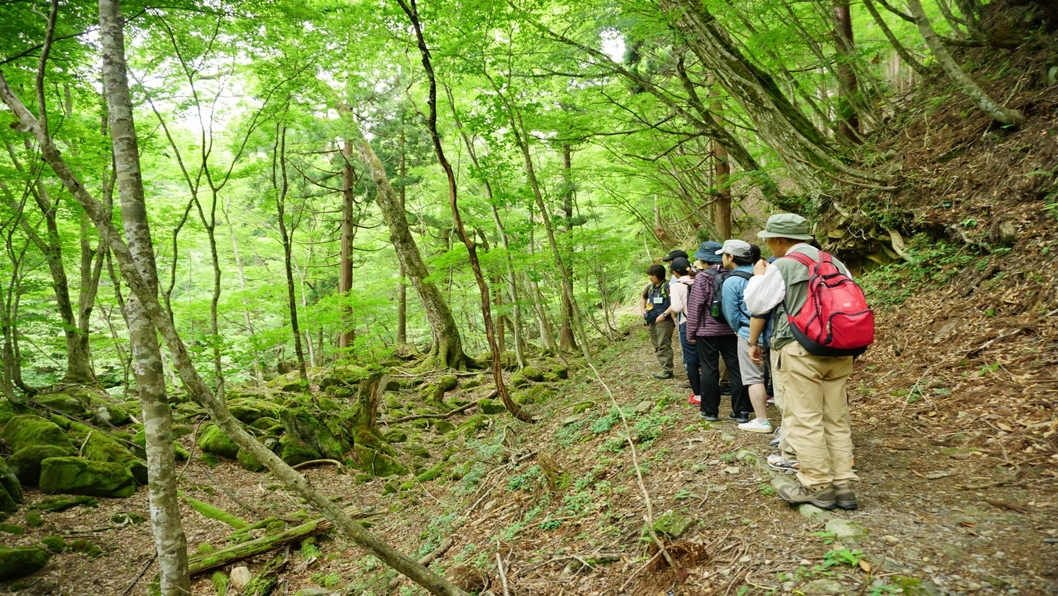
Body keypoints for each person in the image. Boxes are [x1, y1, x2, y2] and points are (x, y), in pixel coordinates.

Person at [744, 213, 857, 511]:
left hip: (800, 349)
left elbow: (756, 305)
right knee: (836, 416)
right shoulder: (834, 262)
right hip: (839, 347)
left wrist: (757, 277)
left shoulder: (783, 265)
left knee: (805, 417)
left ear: (780, 240)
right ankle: (844, 486)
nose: (768, 244)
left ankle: (818, 486)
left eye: (769, 239)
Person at [685, 241, 749, 422]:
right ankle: (741, 411)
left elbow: (696, 306)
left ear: (704, 260)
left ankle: (710, 410)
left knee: (709, 369)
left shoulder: (703, 278)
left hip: (707, 333)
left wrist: (691, 332)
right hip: (730, 330)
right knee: (736, 369)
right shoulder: (732, 275)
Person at [717, 239, 771, 434]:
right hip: (774, 331)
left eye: (723, 255)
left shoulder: (732, 281)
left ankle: (762, 420)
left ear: (730, 257)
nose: (722, 259)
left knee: (754, 377)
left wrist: (737, 329)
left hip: (749, 333)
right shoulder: (766, 272)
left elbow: (730, 313)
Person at [664, 257, 701, 404]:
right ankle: (711, 391)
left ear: (674, 273)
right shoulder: (699, 280)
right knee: (705, 359)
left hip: (687, 324)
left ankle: (698, 395)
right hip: (704, 324)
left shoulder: (677, 285)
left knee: (691, 360)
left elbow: (677, 307)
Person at [641, 264, 675, 379]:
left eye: (652, 275)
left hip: (664, 322)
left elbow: (674, 303)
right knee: (656, 345)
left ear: (659, 275)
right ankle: (664, 366)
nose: (650, 277)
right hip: (652, 320)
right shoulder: (650, 288)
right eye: (649, 275)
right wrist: (643, 311)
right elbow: (643, 297)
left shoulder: (668, 286)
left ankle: (667, 371)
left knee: (663, 345)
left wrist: (664, 314)